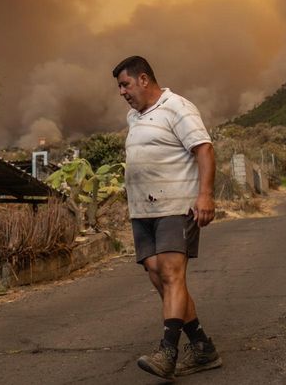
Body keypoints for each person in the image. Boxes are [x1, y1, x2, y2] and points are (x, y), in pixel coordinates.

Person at [113, 55, 223, 379]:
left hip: (176, 207)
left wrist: (205, 195)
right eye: (119, 87)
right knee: (159, 276)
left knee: (173, 275)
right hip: (143, 212)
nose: (121, 92)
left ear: (144, 79)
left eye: (125, 84)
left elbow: (204, 149)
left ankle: (168, 351)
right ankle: (202, 347)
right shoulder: (134, 117)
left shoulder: (177, 107)